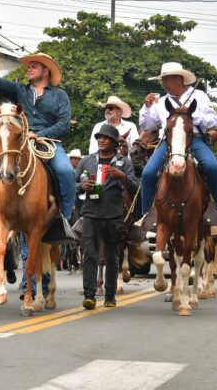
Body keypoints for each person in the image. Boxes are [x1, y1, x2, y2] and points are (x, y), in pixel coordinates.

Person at [0, 44, 76, 242]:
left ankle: (64, 220)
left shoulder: (60, 95)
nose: (28, 69)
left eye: (34, 66)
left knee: (66, 172)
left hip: (49, 143)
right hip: (18, 144)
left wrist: (39, 134)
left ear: (46, 70)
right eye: (28, 66)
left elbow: (64, 124)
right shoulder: (20, 90)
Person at [138, 62, 217, 217]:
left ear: (179, 79)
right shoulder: (160, 102)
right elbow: (147, 126)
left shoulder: (198, 95)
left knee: (212, 168)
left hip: (194, 140)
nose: (163, 83)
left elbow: (213, 121)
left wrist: (192, 116)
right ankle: (146, 215)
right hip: (169, 142)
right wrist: (146, 107)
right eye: (162, 80)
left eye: (167, 79)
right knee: (148, 173)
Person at [76, 124, 138, 309]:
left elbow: (135, 188)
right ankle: (90, 295)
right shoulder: (86, 161)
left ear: (114, 143)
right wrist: (81, 187)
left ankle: (110, 296)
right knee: (89, 256)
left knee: (112, 256)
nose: (101, 140)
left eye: (105, 138)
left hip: (114, 215)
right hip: (90, 215)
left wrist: (122, 176)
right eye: (99, 137)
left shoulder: (124, 162)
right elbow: (72, 183)